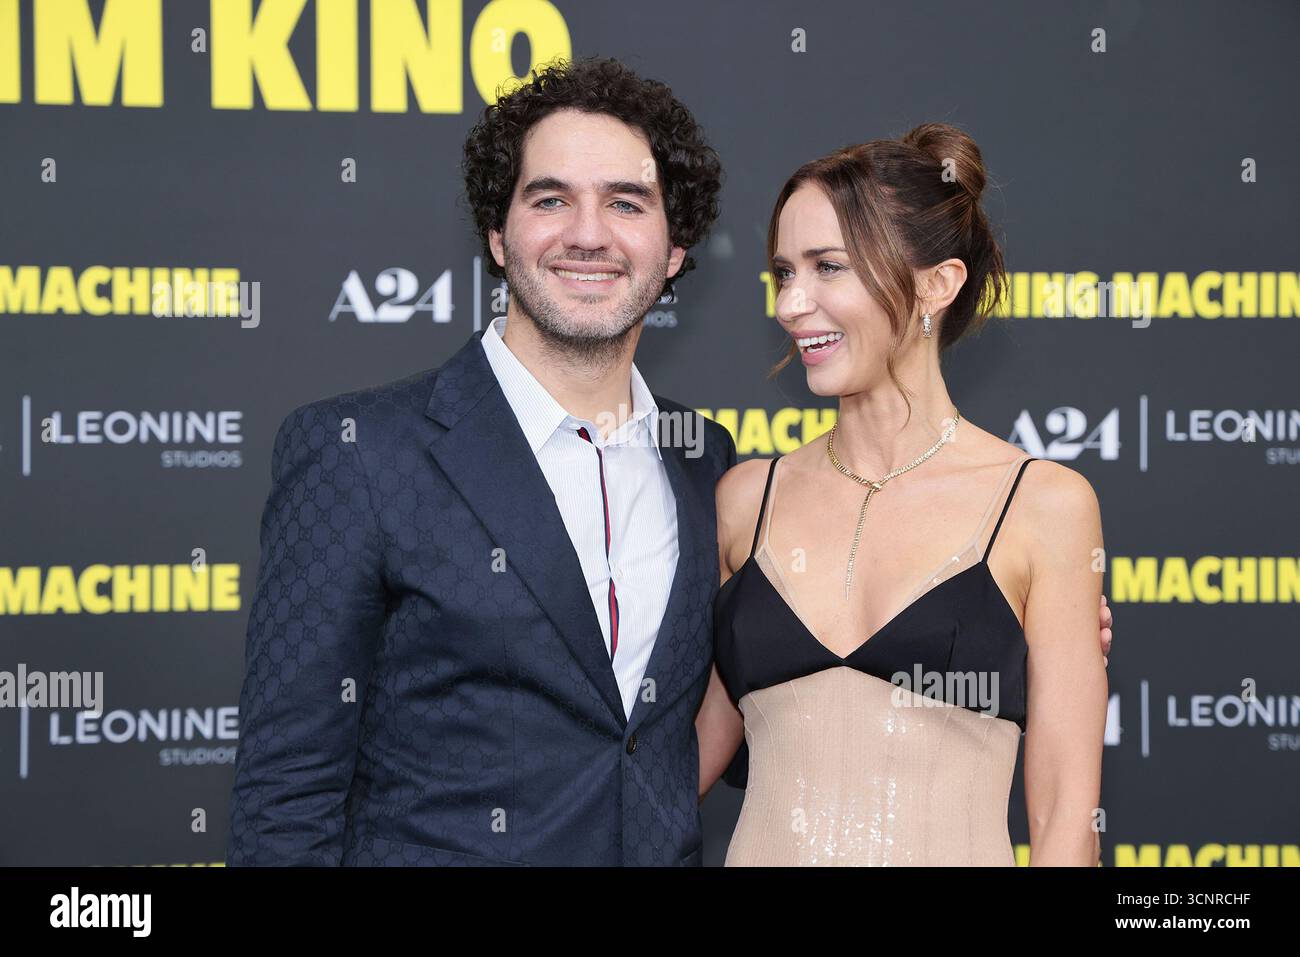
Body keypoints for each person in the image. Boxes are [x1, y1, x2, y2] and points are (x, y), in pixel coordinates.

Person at [227, 56, 1112, 866]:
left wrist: (1019, 637)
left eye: (625, 201)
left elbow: (681, 736)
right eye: (547, 199)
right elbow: (285, 794)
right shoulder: (362, 454)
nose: (587, 233)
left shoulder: (703, 469)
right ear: (496, 236)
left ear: (673, 249)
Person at [697, 124, 1109, 866]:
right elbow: (676, 765)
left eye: (829, 267)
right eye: (784, 271)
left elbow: (1063, 827)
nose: (793, 303)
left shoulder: (1042, 506)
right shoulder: (744, 499)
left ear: (936, 285)